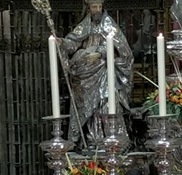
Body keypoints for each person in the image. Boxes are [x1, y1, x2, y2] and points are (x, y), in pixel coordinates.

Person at [56, 0, 133, 144]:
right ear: (88, 8)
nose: (97, 10)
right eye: (94, 7)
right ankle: (94, 141)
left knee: (107, 104)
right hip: (86, 74)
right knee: (90, 110)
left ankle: (114, 141)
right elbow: (73, 42)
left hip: (105, 71)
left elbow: (123, 51)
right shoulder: (85, 25)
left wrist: (101, 53)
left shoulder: (110, 26)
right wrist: (62, 42)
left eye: (99, 6)